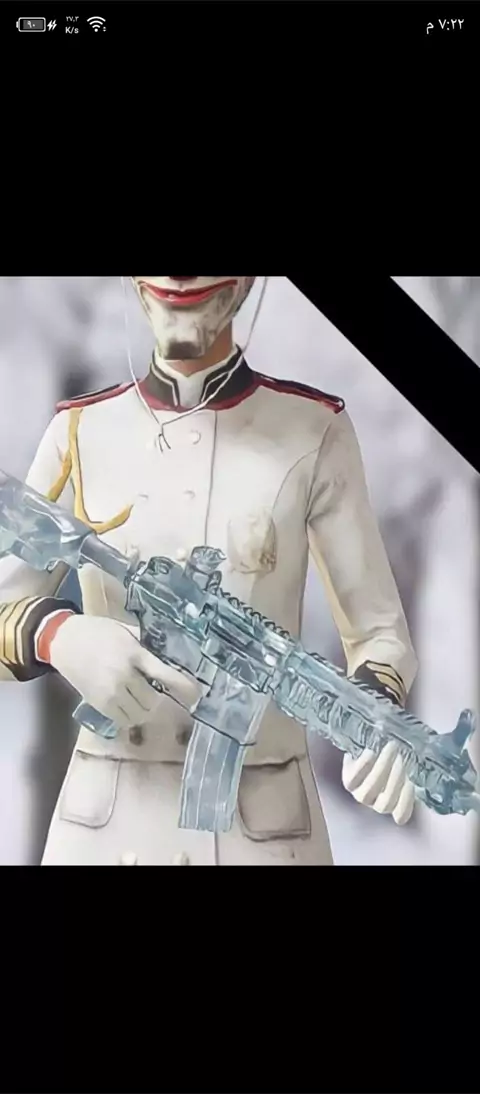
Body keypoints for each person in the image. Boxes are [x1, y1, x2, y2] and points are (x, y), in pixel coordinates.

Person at [0, 276, 418, 866]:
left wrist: (376, 713)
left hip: (264, 840)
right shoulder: (82, 431)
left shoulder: (313, 430)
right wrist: (58, 635)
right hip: (107, 831)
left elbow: (378, 634)